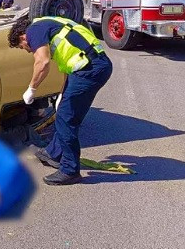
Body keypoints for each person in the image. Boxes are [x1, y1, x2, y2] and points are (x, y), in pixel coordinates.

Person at [8, 16, 112, 186]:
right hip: (93, 66)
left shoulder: (34, 30)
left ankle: (69, 170)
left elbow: (42, 62)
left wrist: (31, 89)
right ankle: (53, 152)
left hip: (89, 70)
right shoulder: (51, 24)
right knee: (66, 113)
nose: (27, 50)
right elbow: (69, 66)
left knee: (65, 118)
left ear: (22, 37)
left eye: (23, 47)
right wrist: (62, 95)